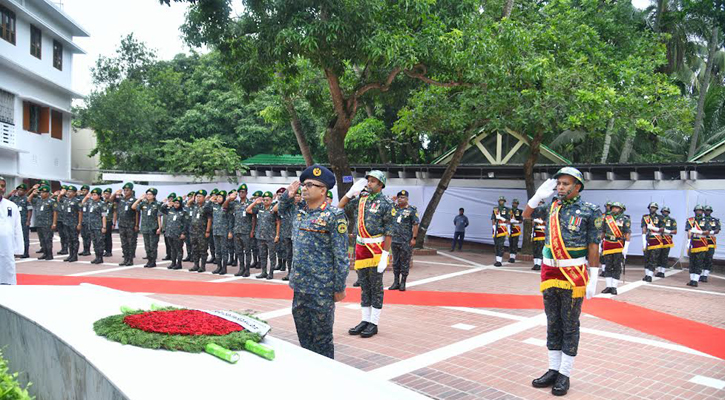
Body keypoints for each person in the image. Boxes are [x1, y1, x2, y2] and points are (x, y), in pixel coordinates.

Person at [523, 167, 602, 396]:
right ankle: (552, 369)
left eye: (565, 184)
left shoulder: (590, 211)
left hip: (573, 274)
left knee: (570, 324)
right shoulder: (551, 208)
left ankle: (565, 373)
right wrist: (538, 197)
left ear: (577, 187)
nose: (560, 187)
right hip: (550, 272)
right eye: (558, 183)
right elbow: (527, 215)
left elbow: (593, 245)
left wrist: (594, 277)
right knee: (552, 322)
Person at [280, 165, 349, 359]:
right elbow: (281, 209)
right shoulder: (299, 211)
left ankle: (327, 377)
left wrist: (339, 286)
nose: (305, 188)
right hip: (300, 285)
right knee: (303, 334)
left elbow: (341, 255)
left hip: (321, 287)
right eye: (304, 184)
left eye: (311, 185)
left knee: (322, 338)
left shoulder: (334, 216)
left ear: (323, 190)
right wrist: (288, 193)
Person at [338, 170, 394, 339]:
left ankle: (374, 323)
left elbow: (389, 232)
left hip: (376, 249)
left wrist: (385, 254)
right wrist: (350, 193)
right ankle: (365, 320)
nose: (368, 183)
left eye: (373, 181)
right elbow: (340, 207)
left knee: (376, 287)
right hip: (361, 248)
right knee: (364, 286)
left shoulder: (386, 203)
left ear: (381, 184)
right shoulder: (361, 199)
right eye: (368, 180)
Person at [389, 190, 419, 291]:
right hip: (394, 240)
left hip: (406, 240)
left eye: (403, 197)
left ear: (407, 199)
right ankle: (396, 282)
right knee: (395, 262)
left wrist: (414, 238)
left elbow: (415, 224)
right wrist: (391, 201)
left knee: (405, 261)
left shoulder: (412, 210)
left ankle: (403, 282)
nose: (401, 199)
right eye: (399, 197)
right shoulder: (393, 208)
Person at [247, 191, 280, 279]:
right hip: (260, 236)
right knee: (262, 255)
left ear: (271, 200)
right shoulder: (259, 208)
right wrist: (255, 202)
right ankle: (264, 272)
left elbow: (278, 223)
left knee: (272, 255)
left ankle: (271, 273)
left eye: (267, 200)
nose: (265, 201)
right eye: (264, 199)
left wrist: (277, 235)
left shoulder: (274, 209)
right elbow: (248, 210)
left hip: (271, 236)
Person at [600, 202, 631, 295]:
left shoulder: (625, 219)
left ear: (620, 209)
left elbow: (627, 234)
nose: (614, 209)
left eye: (617, 208)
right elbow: (603, 232)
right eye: (613, 208)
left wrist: (626, 247)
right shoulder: (607, 218)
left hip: (618, 244)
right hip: (608, 243)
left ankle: (614, 287)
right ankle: (608, 286)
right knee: (607, 265)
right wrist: (599, 243)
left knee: (617, 266)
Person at [0, 177, 25, 284]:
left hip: (7, 247)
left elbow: (17, 228)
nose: (0, 188)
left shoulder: (11, 206)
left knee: (7, 274)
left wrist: (18, 249)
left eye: (3, 186)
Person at [226, 184, 254, 277]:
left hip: (246, 231)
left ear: (246, 193)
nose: (241, 194)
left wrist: (252, 230)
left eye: (243, 192)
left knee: (247, 251)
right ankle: (241, 268)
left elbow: (254, 218)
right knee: (239, 251)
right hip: (237, 231)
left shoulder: (250, 203)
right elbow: (224, 206)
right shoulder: (235, 203)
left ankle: (247, 269)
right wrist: (230, 198)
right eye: (240, 192)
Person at [274, 187, 301, 281]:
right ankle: (290, 273)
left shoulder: (303, 206)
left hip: (298, 235)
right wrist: (288, 193)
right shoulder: (288, 206)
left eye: (298, 195)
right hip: (287, 234)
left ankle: (297, 274)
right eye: (296, 195)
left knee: (298, 256)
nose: (297, 197)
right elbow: (280, 204)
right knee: (288, 254)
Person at [133, 188, 162, 268]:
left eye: (150, 194)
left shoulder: (158, 204)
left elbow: (159, 216)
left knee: (153, 246)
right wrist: (139, 199)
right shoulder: (143, 203)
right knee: (147, 246)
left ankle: (153, 261)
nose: (148, 196)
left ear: (154, 196)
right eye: (147, 194)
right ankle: (149, 260)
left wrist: (159, 227)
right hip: (145, 227)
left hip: (153, 227)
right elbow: (133, 207)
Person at [111, 183, 138, 266]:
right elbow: (111, 200)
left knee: (131, 242)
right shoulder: (121, 199)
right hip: (122, 224)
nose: (125, 192)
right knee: (124, 243)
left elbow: (137, 213)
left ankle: (130, 259)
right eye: (124, 190)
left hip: (130, 224)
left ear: (131, 191)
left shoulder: (134, 200)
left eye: (127, 190)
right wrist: (115, 193)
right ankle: (125, 258)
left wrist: (136, 224)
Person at [28, 184, 57, 260]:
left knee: (48, 239)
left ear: (47, 193)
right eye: (40, 192)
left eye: (43, 192)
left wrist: (54, 223)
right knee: (42, 239)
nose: (41, 194)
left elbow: (55, 213)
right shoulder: (38, 200)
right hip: (39, 223)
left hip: (47, 223)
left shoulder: (52, 201)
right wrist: (32, 193)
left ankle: (49, 255)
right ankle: (45, 253)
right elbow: (28, 199)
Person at [187, 190, 213, 272]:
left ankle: (202, 266)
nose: (198, 198)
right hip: (193, 232)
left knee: (203, 250)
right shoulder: (195, 205)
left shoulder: (207, 206)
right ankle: (196, 265)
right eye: (197, 197)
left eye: (200, 196)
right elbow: (188, 203)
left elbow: (209, 219)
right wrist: (193, 197)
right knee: (194, 249)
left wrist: (207, 231)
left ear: (204, 197)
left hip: (202, 232)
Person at [685, 205, 711, 287]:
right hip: (693, 242)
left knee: (699, 262)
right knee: (692, 262)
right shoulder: (690, 220)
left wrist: (698, 231)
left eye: (700, 210)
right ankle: (692, 279)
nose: (698, 212)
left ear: (702, 212)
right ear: (694, 211)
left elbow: (707, 232)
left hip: (701, 243)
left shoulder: (706, 220)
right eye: (697, 210)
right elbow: (689, 231)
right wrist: (688, 242)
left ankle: (695, 280)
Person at [81, 188, 108, 264]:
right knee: (95, 242)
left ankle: (100, 257)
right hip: (91, 226)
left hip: (98, 226)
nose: (93, 196)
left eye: (95, 194)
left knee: (99, 242)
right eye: (92, 194)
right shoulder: (90, 202)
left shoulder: (102, 204)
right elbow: (82, 203)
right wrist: (86, 197)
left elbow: (104, 216)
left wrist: (104, 227)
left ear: (99, 196)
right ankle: (97, 257)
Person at [161, 196, 188, 270]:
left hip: (178, 234)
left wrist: (183, 233)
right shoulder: (170, 210)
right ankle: (173, 263)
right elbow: (162, 209)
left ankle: (179, 263)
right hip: (170, 233)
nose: (176, 204)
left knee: (178, 249)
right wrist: (167, 204)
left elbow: (186, 224)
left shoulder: (183, 212)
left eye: (177, 203)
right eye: (175, 203)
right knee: (172, 249)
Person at [57, 185, 82, 262]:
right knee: (68, 239)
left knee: (74, 239)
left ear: (74, 193)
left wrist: (79, 223)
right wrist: (61, 194)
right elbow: (58, 200)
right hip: (66, 223)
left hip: (74, 223)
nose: (68, 193)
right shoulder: (65, 200)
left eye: (70, 191)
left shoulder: (77, 201)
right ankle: (70, 255)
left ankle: (74, 256)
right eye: (68, 191)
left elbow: (80, 212)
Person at [641, 202, 664, 281]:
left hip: (656, 239)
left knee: (653, 258)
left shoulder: (660, 217)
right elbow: (644, 228)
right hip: (648, 238)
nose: (652, 209)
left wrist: (654, 228)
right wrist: (643, 240)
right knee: (646, 258)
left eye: (654, 208)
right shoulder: (645, 217)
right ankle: (646, 275)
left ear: (656, 209)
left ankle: (650, 275)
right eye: (651, 207)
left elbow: (662, 229)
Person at [7, 183, 31, 258]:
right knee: (14, 236)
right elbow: (4, 200)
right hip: (14, 221)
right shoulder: (13, 198)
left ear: (25, 191)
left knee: (24, 237)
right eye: (19, 190)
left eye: (22, 190)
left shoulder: (26, 199)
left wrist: (28, 220)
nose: (21, 191)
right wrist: (9, 194)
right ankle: (16, 251)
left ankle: (25, 252)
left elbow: (30, 210)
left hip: (23, 220)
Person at [211, 190, 232, 275]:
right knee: (217, 250)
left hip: (224, 231)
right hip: (215, 231)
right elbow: (205, 209)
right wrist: (210, 201)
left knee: (224, 250)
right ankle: (218, 266)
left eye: (220, 197)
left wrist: (230, 231)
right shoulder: (214, 206)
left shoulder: (227, 207)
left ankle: (224, 268)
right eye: (218, 197)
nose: (219, 198)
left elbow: (231, 220)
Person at [702, 205, 719, 283]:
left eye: (709, 210)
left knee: (709, 258)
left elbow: (717, 230)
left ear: (711, 211)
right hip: (702, 240)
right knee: (701, 258)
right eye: (706, 210)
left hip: (710, 241)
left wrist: (710, 232)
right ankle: (700, 274)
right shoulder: (700, 219)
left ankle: (705, 275)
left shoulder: (714, 220)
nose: (707, 212)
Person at [491, 196, 510, 266]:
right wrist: (493, 227)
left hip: (502, 228)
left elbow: (508, 221)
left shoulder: (507, 210)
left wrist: (501, 218)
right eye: (500, 200)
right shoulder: (495, 209)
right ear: (498, 201)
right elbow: (493, 218)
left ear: (504, 202)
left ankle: (499, 261)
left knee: (500, 245)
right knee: (496, 245)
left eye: (502, 201)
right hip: (496, 228)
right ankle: (497, 260)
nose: (501, 202)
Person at [659, 206, 677, 275]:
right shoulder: (658, 219)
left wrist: (667, 231)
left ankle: (662, 271)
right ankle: (659, 270)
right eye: (664, 211)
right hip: (659, 238)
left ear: (668, 213)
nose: (665, 213)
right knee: (658, 255)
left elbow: (675, 231)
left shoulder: (672, 220)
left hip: (667, 239)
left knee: (664, 255)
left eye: (666, 212)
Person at [531, 199, 546, 270]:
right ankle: (535, 264)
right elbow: (532, 223)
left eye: (541, 203)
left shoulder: (546, 212)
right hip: (535, 232)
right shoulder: (535, 212)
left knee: (540, 248)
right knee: (535, 248)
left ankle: (539, 264)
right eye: (539, 203)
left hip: (542, 232)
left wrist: (540, 221)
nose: (540, 204)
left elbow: (547, 222)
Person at [161, 192, 177, 261]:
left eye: (172, 199)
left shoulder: (176, 208)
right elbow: (161, 209)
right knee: (167, 243)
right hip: (166, 228)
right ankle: (168, 254)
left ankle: (174, 256)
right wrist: (164, 203)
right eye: (169, 199)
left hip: (174, 229)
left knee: (174, 244)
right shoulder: (166, 208)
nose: (170, 200)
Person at [78, 184, 92, 256]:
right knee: (83, 235)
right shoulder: (80, 198)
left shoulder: (91, 199)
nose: (84, 191)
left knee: (88, 236)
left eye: (85, 190)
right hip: (82, 219)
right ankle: (84, 249)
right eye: (82, 190)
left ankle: (87, 250)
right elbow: (79, 206)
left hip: (89, 220)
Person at [508, 199, 523, 263]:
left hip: (516, 228)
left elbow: (521, 221)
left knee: (515, 243)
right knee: (510, 242)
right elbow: (506, 219)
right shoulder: (509, 211)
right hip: (510, 227)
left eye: (516, 203)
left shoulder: (520, 211)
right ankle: (511, 256)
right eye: (514, 203)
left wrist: (516, 221)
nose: (515, 204)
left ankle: (513, 257)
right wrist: (509, 221)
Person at [56, 185, 69, 255]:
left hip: (66, 220)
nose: (63, 191)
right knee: (61, 235)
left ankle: (66, 249)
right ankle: (63, 248)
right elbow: (56, 202)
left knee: (66, 235)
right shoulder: (59, 197)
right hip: (59, 219)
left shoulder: (68, 198)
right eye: (62, 190)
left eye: (64, 190)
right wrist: (59, 195)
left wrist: (61, 195)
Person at [102, 188, 115, 257]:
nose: (106, 195)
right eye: (105, 193)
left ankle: (108, 251)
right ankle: (104, 250)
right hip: (102, 221)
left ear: (110, 194)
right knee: (103, 237)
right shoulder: (102, 202)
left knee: (108, 236)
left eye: (107, 194)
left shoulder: (112, 203)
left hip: (109, 221)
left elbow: (115, 213)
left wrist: (114, 222)